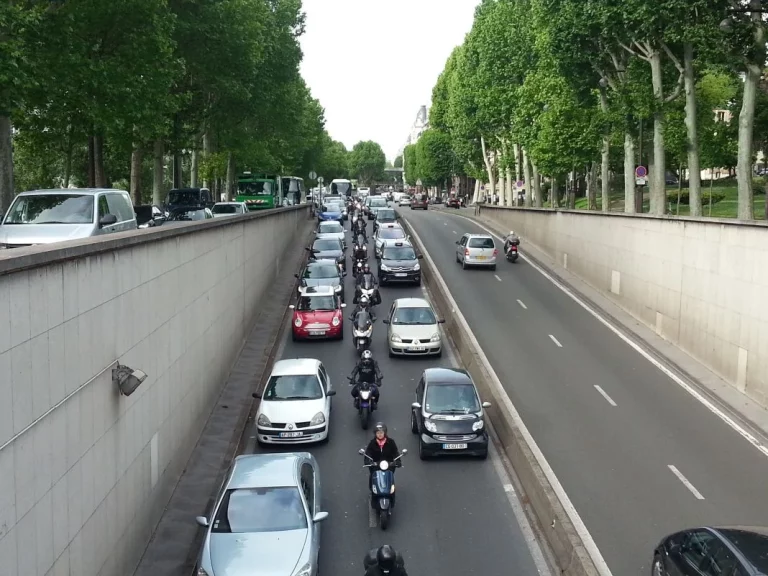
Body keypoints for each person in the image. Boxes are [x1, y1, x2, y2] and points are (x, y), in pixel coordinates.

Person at [364, 423, 401, 506]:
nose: (380, 434)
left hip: (389, 466)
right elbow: (368, 453)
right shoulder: (372, 443)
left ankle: (391, 495)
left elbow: (395, 453)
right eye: (378, 433)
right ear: (375, 434)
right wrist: (368, 461)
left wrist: (397, 461)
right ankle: (373, 492)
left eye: (381, 433)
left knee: (390, 481)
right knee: (372, 479)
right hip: (376, 466)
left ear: (385, 433)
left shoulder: (391, 442)